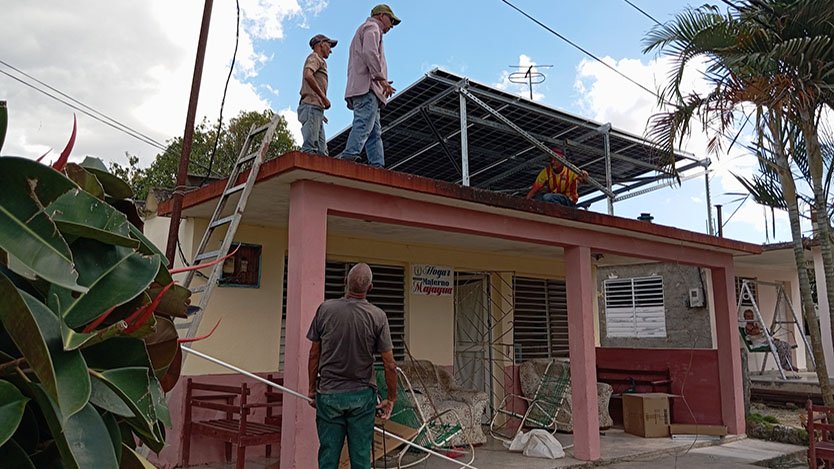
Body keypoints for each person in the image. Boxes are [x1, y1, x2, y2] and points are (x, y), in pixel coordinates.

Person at [307, 263, 398, 469]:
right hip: (361, 396)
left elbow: (314, 354)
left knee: (328, 457)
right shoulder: (378, 316)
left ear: (345, 282)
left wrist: (312, 390)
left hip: (328, 394)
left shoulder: (325, 309)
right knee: (360, 458)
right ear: (370, 288)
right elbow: (390, 364)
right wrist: (391, 398)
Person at [338, 4, 401, 167]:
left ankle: (377, 164)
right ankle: (349, 155)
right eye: (391, 20)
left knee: (373, 130)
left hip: (364, 87)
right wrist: (381, 79)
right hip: (368, 88)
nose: (391, 25)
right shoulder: (373, 27)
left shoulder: (366, 29)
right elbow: (370, 53)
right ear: (381, 15)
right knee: (365, 123)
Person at [298, 34, 337, 155]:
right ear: (321, 44)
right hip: (311, 106)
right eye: (329, 46)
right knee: (310, 148)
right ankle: (306, 173)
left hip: (315, 108)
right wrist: (323, 98)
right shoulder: (315, 57)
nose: (330, 51)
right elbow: (308, 75)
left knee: (322, 152)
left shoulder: (319, 60)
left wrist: (320, 106)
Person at [525, 148, 589, 207]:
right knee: (538, 198)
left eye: (555, 159)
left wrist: (585, 175)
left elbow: (584, 180)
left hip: (569, 199)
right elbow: (534, 189)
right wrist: (526, 202)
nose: (552, 162)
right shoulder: (546, 172)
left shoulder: (570, 169)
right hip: (554, 197)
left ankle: (561, 211)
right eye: (551, 159)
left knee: (547, 197)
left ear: (562, 160)